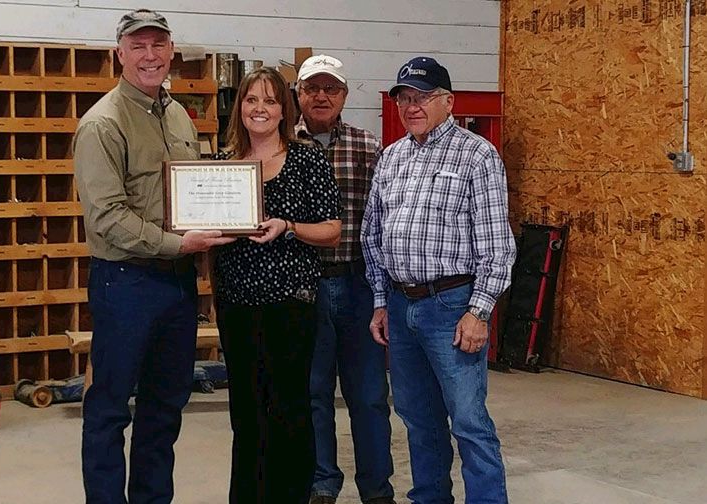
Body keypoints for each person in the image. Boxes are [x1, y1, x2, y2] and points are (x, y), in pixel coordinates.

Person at [73, 9, 234, 504]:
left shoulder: (179, 115)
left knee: (165, 407)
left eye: (157, 46)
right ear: (118, 53)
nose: (149, 56)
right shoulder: (101, 124)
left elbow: (194, 193)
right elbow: (107, 218)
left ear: (171, 52)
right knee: (110, 408)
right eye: (138, 46)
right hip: (126, 282)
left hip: (177, 284)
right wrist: (177, 243)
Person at [361, 56, 517, 504]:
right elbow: (373, 234)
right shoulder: (392, 157)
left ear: (448, 101)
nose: (412, 106)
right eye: (405, 98)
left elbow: (496, 243)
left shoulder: (477, 155)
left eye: (423, 97)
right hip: (400, 302)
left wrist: (479, 310)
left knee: (468, 419)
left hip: (452, 306)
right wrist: (379, 301)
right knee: (416, 416)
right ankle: (430, 498)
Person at [214, 67, 343, 504]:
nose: (260, 109)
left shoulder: (307, 159)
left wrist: (288, 226)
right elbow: (201, 228)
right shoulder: (221, 165)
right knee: (245, 413)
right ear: (240, 108)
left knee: (289, 408)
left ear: (283, 110)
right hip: (237, 305)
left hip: (291, 304)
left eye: (269, 101)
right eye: (252, 100)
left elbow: (332, 230)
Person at [293, 55, 395, 504]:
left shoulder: (368, 146)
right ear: (298, 93)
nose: (321, 96)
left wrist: (384, 292)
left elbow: (387, 220)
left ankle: (376, 489)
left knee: (370, 396)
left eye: (330, 89)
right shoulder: (281, 146)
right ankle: (321, 483)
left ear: (344, 96)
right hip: (302, 286)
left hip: (357, 285)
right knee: (312, 394)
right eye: (312, 87)